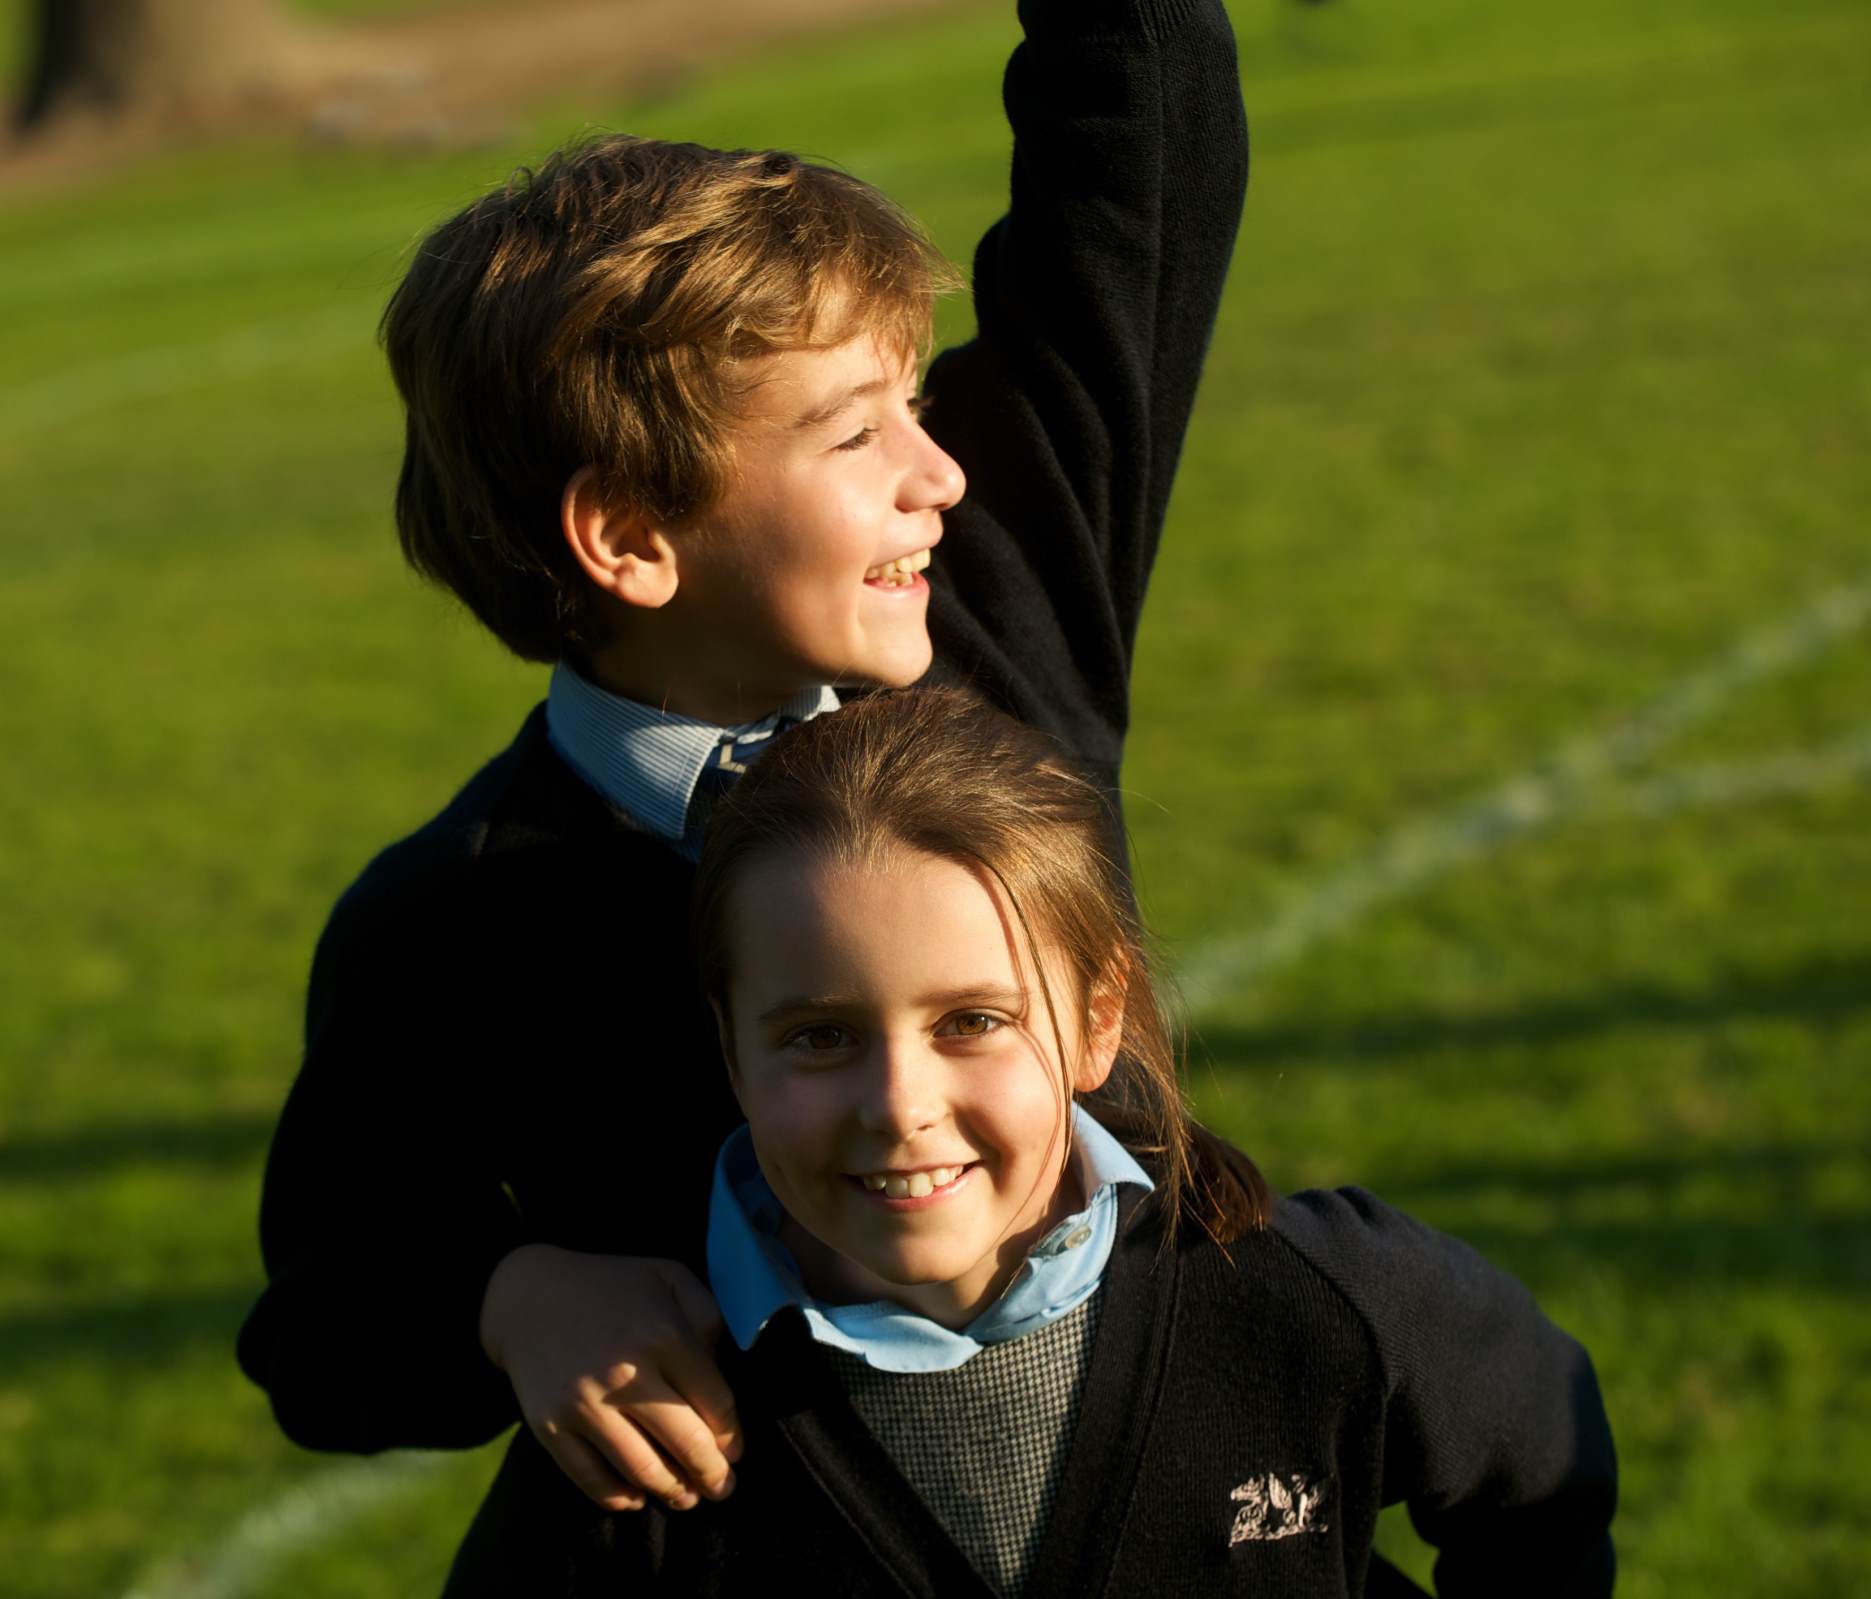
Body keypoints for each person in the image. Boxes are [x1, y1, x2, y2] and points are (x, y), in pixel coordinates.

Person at [238, 0, 1249, 1532]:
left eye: (917, 407)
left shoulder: (997, 603)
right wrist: (511, 1299)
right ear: (632, 537)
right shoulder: (448, 924)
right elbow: (327, 1330)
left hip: (1181, 1511)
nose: (941, 471)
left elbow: (1142, 155)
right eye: (857, 437)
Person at [444, 686, 1619, 1597]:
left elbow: (1543, 1466)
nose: (899, 1103)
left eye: (973, 1021)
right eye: (817, 1037)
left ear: (1097, 1017)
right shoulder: (635, 1440)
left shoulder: (1316, 1306)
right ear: (729, 1047)